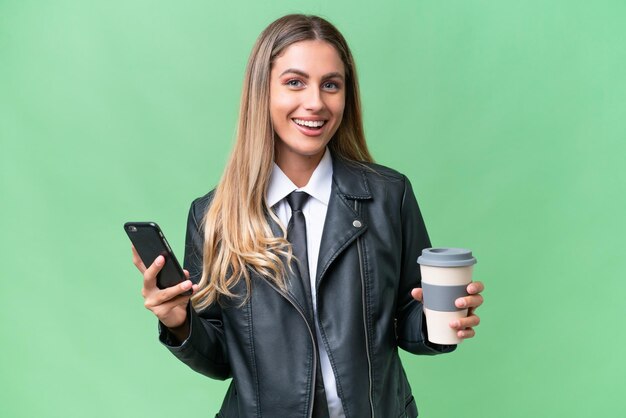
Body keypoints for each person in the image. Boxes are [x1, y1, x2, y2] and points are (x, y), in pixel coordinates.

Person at [132, 14, 484, 418]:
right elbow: (222, 362)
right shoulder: (213, 216)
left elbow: (407, 317)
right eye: (295, 82)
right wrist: (180, 321)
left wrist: (440, 320)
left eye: (330, 85)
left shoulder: (389, 196)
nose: (315, 102)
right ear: (262, 92)